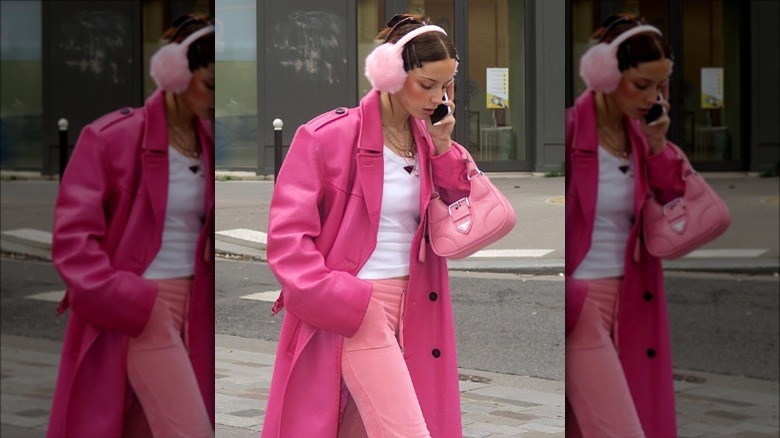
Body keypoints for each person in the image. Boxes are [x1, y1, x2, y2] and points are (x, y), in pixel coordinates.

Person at [262, 14, 472, 438]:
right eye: (427, 85)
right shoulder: (326, 137)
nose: (438, 97)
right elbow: (286, 240)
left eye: (446, 85)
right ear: (390, 72)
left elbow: (461, 207)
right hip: (358, 305)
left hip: (419, 304)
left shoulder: (429, 138)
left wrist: (445, 146)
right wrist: (343, 299)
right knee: (407, 430)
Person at [46, 14, 215, 438]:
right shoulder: (112, 138)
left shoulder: (210, 140)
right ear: (175, 73)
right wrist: (129, 299)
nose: (216, 98)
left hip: (198, 307)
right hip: (143, 304)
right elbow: (72, 242)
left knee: (141, 426)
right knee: (190, 428)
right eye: (209, 85)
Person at [564, 14, 685, 438]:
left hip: (635, 295)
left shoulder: (639, 136)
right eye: (641, 85)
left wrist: (657, 145)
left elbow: (675, 200)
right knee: (620, 425)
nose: (652, 97)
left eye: (660, 85)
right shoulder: (570, 131)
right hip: (582, 301)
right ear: (605, 74)